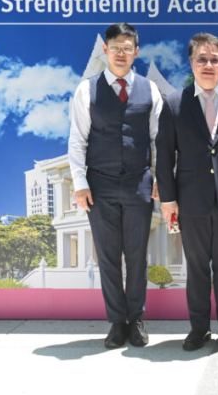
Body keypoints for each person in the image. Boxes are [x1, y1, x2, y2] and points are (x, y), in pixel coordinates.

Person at [156, 33, 218, 351]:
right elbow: (164, 154)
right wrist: (169, 200)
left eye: (215, 59)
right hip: (191, 202)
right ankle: (199, 329)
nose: (209, 64)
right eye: (202, 58)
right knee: (198, 270)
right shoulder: (175, 103)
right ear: (192, 63)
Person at [68, 22, 162, 349]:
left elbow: (157, 140)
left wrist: (160, 178)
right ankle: (117, 322)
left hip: (139, 184)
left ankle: (136, 319)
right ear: (106, 50)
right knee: (108, 257)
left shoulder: (149, 90)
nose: (121, 53)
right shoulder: (86, 90)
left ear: (136, 52)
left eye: (128, 47)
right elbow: (78, 140)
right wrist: (80, 183)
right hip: (100, 185)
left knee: (137, 255)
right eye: (115, 47)